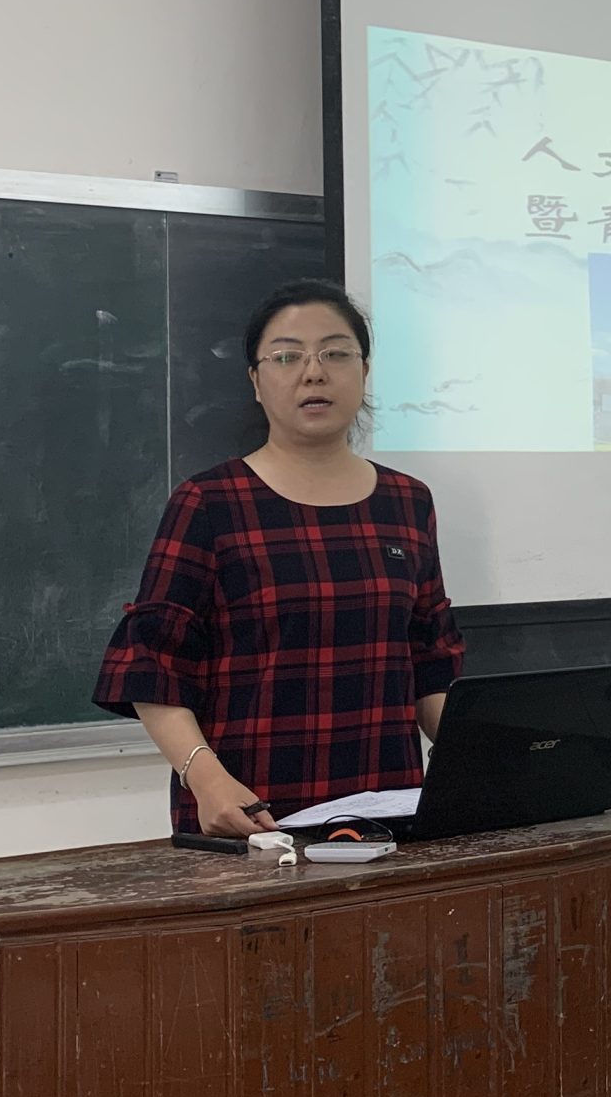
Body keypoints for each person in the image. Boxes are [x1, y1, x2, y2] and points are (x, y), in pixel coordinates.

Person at [93, 279, 465, 835]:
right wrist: (206, 780)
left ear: (364, 371)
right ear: (256, 380)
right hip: (253, 818)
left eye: (336, 353)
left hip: (390, 814)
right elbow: (153, 664)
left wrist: (489, 767)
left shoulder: (407, 501)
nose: (314, 372)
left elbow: (429, 662)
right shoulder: (210, 502)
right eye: (288, 356)